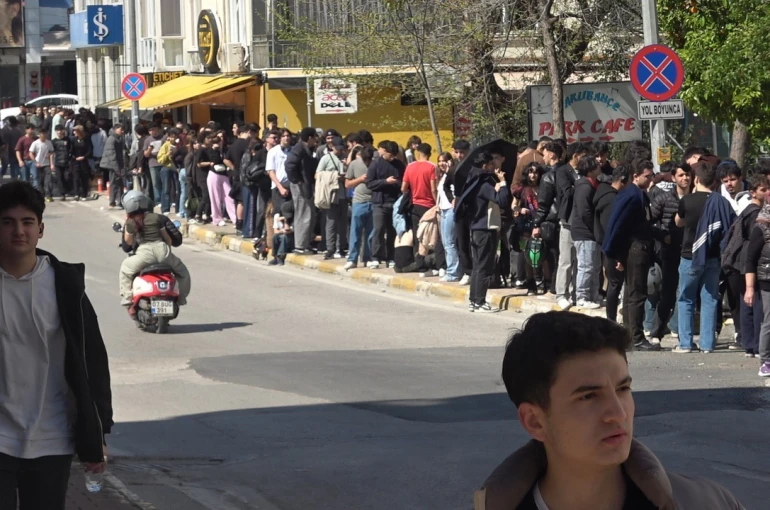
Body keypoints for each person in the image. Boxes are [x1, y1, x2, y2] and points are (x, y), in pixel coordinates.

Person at [475, 311, 743, 510]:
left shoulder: (708, 503)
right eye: (589, 396)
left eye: (623, 389)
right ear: (535, 421)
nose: (618, 413)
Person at [0, 181, 112, 509]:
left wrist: (98, 431)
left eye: (27, 222)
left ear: (41, 229)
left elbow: (92, 360)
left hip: (52, 436)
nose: (18, 231)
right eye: (7, 222)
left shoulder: (64, 286)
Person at [674, 161, 735, 354]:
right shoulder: (721, 202)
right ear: (715, 182)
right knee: (709, 299)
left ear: (697, 179)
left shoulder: (687, 201)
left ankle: (685, 342)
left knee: (686, 299)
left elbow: (678, 222)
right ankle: (708, 344)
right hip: (713, 257)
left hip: (689, 256)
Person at [602, 159, 660, 351]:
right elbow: (617, 224)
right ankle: (635, 336)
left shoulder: (637, 194)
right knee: (636, 292)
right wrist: (613, 253)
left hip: (636, 246)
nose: (650, 179)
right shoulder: (631, 195)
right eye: (647, 175)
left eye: (652, 175)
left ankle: (629, 334)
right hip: (635, 247)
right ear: (635, 176)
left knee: (631, 292)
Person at [456, 151, 510, 313]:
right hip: (485, 229)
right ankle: (479, 301)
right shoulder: (484, 185)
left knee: (478, 266)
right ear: (485, 165)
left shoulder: (472, 181)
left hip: (476, 228)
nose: (494, 167)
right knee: (484, 267)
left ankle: (474, 300)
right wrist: (503, 183)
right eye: (492, 164)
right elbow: (502, 200)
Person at [118, 190, 191, 308]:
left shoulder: (130, 222)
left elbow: (129, 242)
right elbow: (168, 239)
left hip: (144, 253)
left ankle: (127, 297)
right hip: (162, 250)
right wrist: (167, 252)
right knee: (183, 272)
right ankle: (181, 298)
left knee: (125, 268)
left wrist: (128, 225)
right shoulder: (156, 217)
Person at [647, 162, 692, 345]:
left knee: (687, 294)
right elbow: (648, 221)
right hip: (669, 252)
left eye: (687, 175)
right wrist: (662, 235)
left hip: (690, 252)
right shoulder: (664, 199)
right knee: (668, 293)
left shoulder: (696, 198)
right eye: (681, 175)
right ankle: (656, 333)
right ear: (673, 178)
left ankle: (684, 336)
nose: (685, 178)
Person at [735, 175, 767, 360]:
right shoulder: (756, 213)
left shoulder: (747, 210)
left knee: (747, 303)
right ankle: (754, 344)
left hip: (742, 260)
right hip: (749, 260)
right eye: (762, 190)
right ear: (753, 192)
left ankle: (749, 344)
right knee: (755, 303)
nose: (766, 193)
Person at [594, 165, 630, 322]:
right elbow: (611, 229)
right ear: (623, 180)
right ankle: (611, 320)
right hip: (612, 250)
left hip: (609, 248)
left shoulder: (607, 196)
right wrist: (617, 257)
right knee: (614, 285)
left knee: (614, 285)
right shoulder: (611, 200)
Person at [570, 156, 603, 309]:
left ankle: (593, 295)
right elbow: (585, 212)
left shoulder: (593, 185)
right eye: (596, 165)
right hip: (584, 232)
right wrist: (595, 228)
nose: (599, 166)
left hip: (592, 233)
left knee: (595, 266)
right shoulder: (584, 186)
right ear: (590, 170)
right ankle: (582, 296)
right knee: (586, 265)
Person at [366, 140, 405, 269]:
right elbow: (369, 183)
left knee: (392, 231)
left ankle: (391, 257)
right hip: (379, 203)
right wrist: (385, 182)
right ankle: (376, 257)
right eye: (390, 155)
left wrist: (398, 184)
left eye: (395, 155)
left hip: (394, 202)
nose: (392, 157)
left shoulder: (399, 164)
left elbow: (404, 181)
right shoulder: (375, 164)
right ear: (385, 152)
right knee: (378, 229)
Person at [511, 162, 547, 295]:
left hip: (542, 223)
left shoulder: (544, 186)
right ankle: (531, 283)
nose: (533, 175)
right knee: (529, 254)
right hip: (526, 224)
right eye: (531, 172)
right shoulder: (522, 189)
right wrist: (520, 209)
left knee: (542, 254)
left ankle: (543, 281)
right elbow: (513, 205)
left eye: (536, 172)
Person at [401, 143, 438, 267]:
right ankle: (429, 262)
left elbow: (403, 188)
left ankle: (418, 262)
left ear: (418, 153)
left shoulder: (410, 166)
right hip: (429, 205)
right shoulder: (432, 167)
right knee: (429, 234)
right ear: (429, 153)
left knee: (418, 234)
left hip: (414, 204)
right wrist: (437, 202)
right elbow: (433, 188)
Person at [285, 127, 320, 254]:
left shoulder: (307, 149)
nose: (316, 139)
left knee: (309, 214)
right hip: (300, 185)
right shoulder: (299, 149)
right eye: (315, 137)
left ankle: (306, 243)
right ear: (310, 138)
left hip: (306, 185)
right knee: (303, 214)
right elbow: (289, 165)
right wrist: (297, 180)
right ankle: (300, 245)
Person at [444, 139, 473, 285]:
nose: (460, 155)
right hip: (460, 208)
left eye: (462, 152)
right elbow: (445, 186)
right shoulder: (453, 170)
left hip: (475, 207)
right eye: (457, 152)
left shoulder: (475, 167)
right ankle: (467, 271)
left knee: (476, 240)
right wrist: (452, 199)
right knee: (462, 240)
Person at [316, 136, 348, 259]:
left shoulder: (345, 159)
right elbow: (317, 175)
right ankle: (330, 248)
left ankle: (341, 247)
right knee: (331, 222)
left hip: (343, 195)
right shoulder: (326, 159)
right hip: (331, 194)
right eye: (338, 148)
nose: (340, 151)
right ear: (331, 147)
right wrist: (334, 176)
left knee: (343, 223)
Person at [344, 146, 376, 270]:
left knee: (370, 233)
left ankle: (367, 258)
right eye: (366, 159)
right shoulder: (354, 164)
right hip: (358, 202)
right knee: (355, 232)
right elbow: (347, 184)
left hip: (373, 202)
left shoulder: (376, 164)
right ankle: (352, 259)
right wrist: (360, 179)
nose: (368, 161)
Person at [437, 151, 461, 282]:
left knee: (449, 242)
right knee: (447, 242)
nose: (441, 163)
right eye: (439, 161)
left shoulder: (453, 173)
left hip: (451, 210)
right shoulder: (444, 175)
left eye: (444, 160)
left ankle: (453, 272)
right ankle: (452, 269)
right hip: (443, 210)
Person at [266, 128, 293, 215]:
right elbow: (271, 171)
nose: (286, 138)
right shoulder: (273, 152)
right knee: (279, 214)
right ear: (280, 138)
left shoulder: (294, 150)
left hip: (292, 186)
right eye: (283, 136)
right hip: (278, 187)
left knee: (290, 214)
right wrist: (280, 187)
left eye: (288, 136)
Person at [100, 123, 127, 209]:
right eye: (121, 129)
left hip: (117, 164)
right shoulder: (111, 139)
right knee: (114, 183)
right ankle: (113, 202)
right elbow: (111, 154)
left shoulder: (119, 138)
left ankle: (118, 201)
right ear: (115, 130)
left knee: (119, 183)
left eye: (123, 129)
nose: (122, 131)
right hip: (112, 165)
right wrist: (116, 168)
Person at [28, 129, 55, 202]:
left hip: (47, 164)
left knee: (48, 181)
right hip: (38, 165)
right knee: (39, 181)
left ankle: (48, 195)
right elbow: (30, 153)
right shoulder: (35, 143)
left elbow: (52, 152)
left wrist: (52, 164)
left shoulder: (49, 142)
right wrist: (35, 162)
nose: (43, 135)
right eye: (42, 134)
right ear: (39, 135)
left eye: (45, 134)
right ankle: (40, 195)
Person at [70, 125, 94, 201]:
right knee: (76, 178)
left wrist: (84, 157)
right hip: (75, 161)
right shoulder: (73, 140)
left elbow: (90, 150)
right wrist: (73, 156)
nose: (74, 133)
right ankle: (76, 194)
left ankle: (84, 194)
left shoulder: (86, 140)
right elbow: (71, 150)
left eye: (76, 131)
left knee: (84, 178)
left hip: (84, 161)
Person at [269, 201, 295, 266]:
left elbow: (288, 230)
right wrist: (282, 231)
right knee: (275, 236)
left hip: (291, 240)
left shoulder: (294, 218)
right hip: (281, 237)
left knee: (284, 236)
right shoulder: (277, 216)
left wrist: (286, 220)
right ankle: (275, 256)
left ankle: (280, 256)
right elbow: (275, 231)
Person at [51, 124, 72, 199]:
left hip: (67, 161)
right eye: (58, 130)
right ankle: (62, 194)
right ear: (56, 131)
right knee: (59, 178)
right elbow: (51, 153)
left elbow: (70, 150)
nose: (59, 132)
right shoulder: (53, 141)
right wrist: (52, 164)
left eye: (60, 130)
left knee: (66, 177)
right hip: (58, 162)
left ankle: (68, 191)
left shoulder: (68, 140)